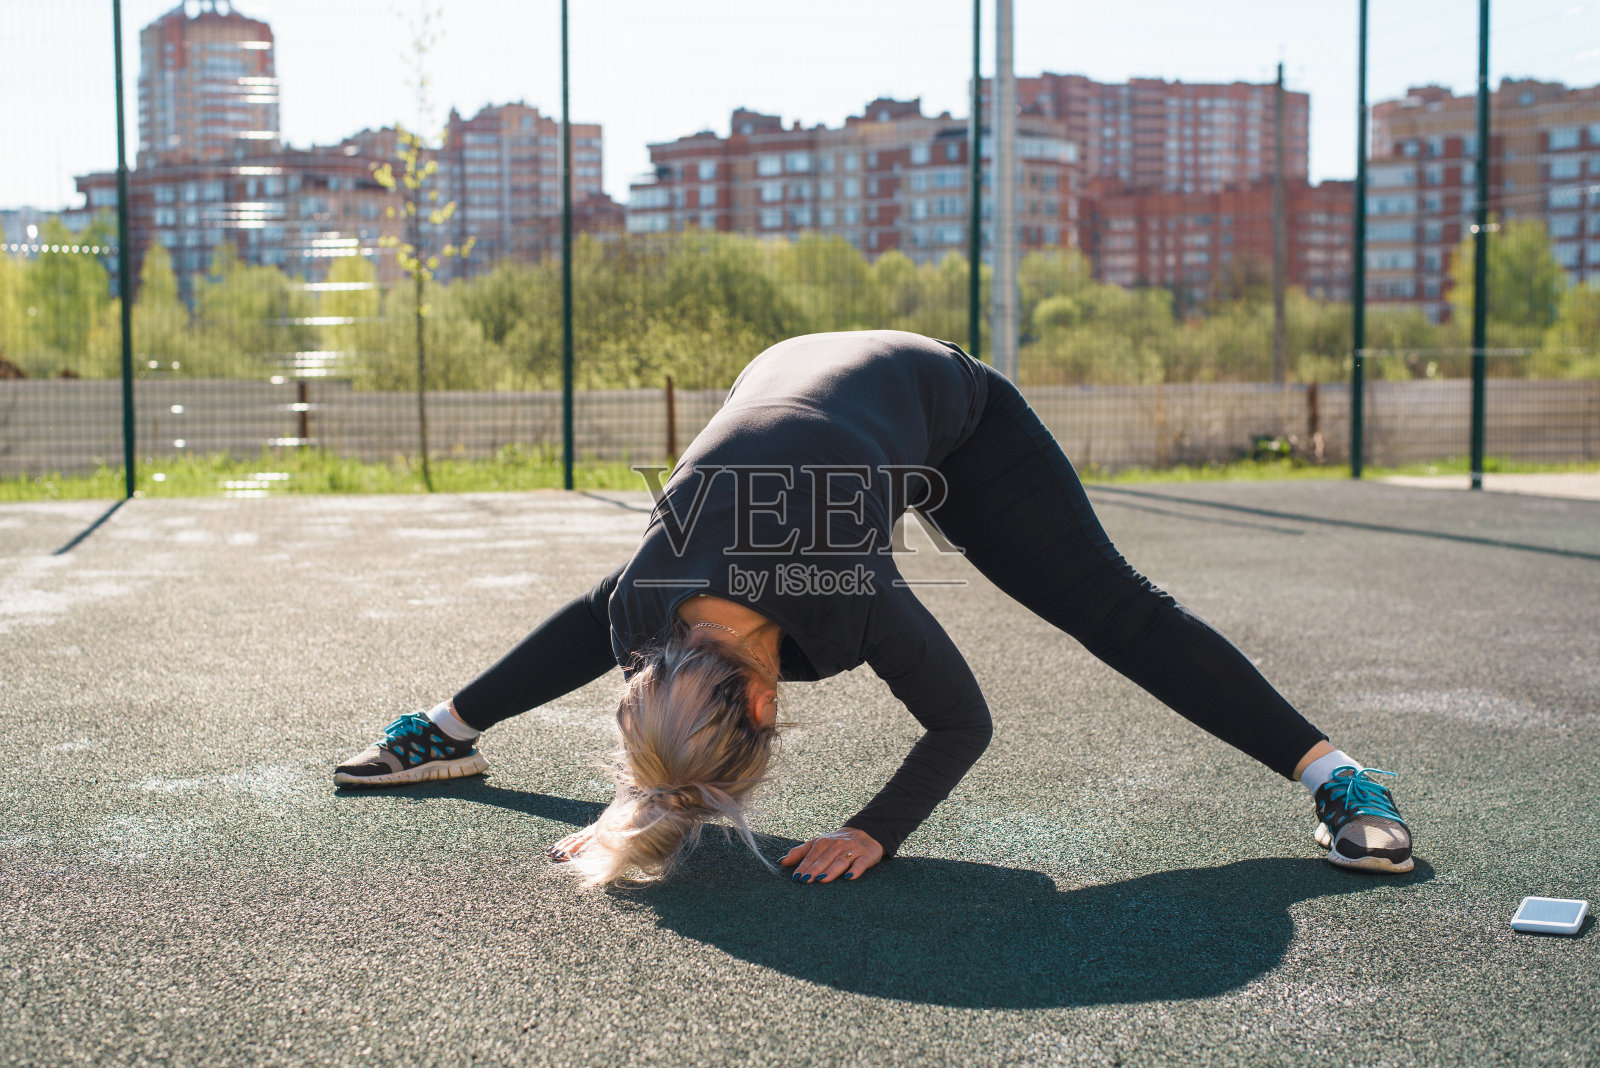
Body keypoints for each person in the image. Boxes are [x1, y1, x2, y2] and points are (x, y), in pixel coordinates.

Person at [334, 330, 1413, 885]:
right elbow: (628, 668)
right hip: (785, 382)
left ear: (766, 708)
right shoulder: (640, 614)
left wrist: (874, 830)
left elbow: (962, 721)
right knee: (606, 597)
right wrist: (639, 805)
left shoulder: (842, 594)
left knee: (1109, 607)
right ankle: (443, 731)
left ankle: (1338, 778)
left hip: (942, 404)